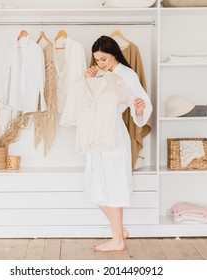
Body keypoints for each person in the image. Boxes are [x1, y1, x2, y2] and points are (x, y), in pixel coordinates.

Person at [62, 35, 152, 252]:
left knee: (113, 187)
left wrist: (138, 108)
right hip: (94, 136)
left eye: (103, 59)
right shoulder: (100, 73)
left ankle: (117, 240)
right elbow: (81, 96)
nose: (100, 64)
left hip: (113, 135)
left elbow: (140, 102)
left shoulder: (126, 75)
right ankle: (119, 230)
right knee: (96, 186)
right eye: (96, 60)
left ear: (114, 54)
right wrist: (87, 78)